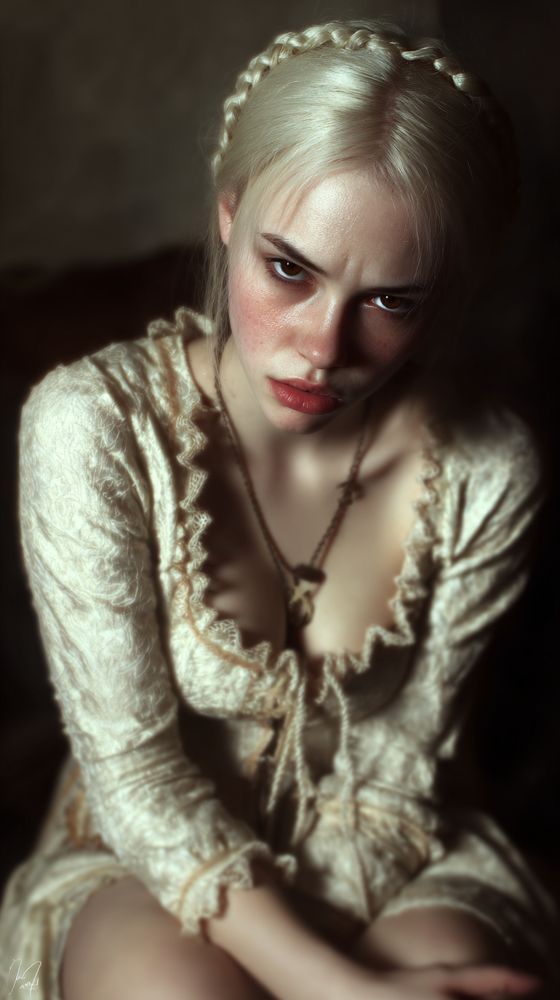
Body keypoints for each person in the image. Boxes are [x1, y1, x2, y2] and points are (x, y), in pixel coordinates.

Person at [0, 17, 557, 1000]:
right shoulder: (90, 426)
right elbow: (137, 779)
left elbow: (400, 762)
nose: (320, 346)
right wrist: (335, 990)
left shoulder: (486, 465)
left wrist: (336, 969)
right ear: (227, 213)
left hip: (390, 836)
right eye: (288, 269)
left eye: (391, 301)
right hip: (143, 848)